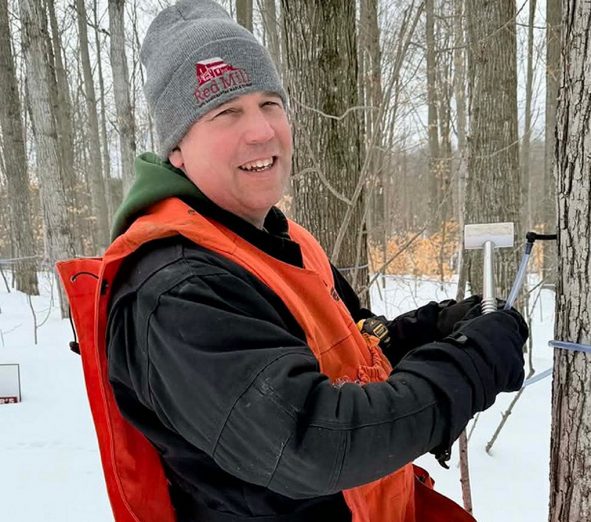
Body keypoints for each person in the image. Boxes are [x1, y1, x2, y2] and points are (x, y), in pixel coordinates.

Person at [61, 1, 527, 521]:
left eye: (269, 103)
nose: (261, 131)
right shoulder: (177, 289)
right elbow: (312, 439)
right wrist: (471, 364)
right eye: (225, 112)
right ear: (177, 149)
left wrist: (429, 329)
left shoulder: (279, 240)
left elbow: (348, 353)